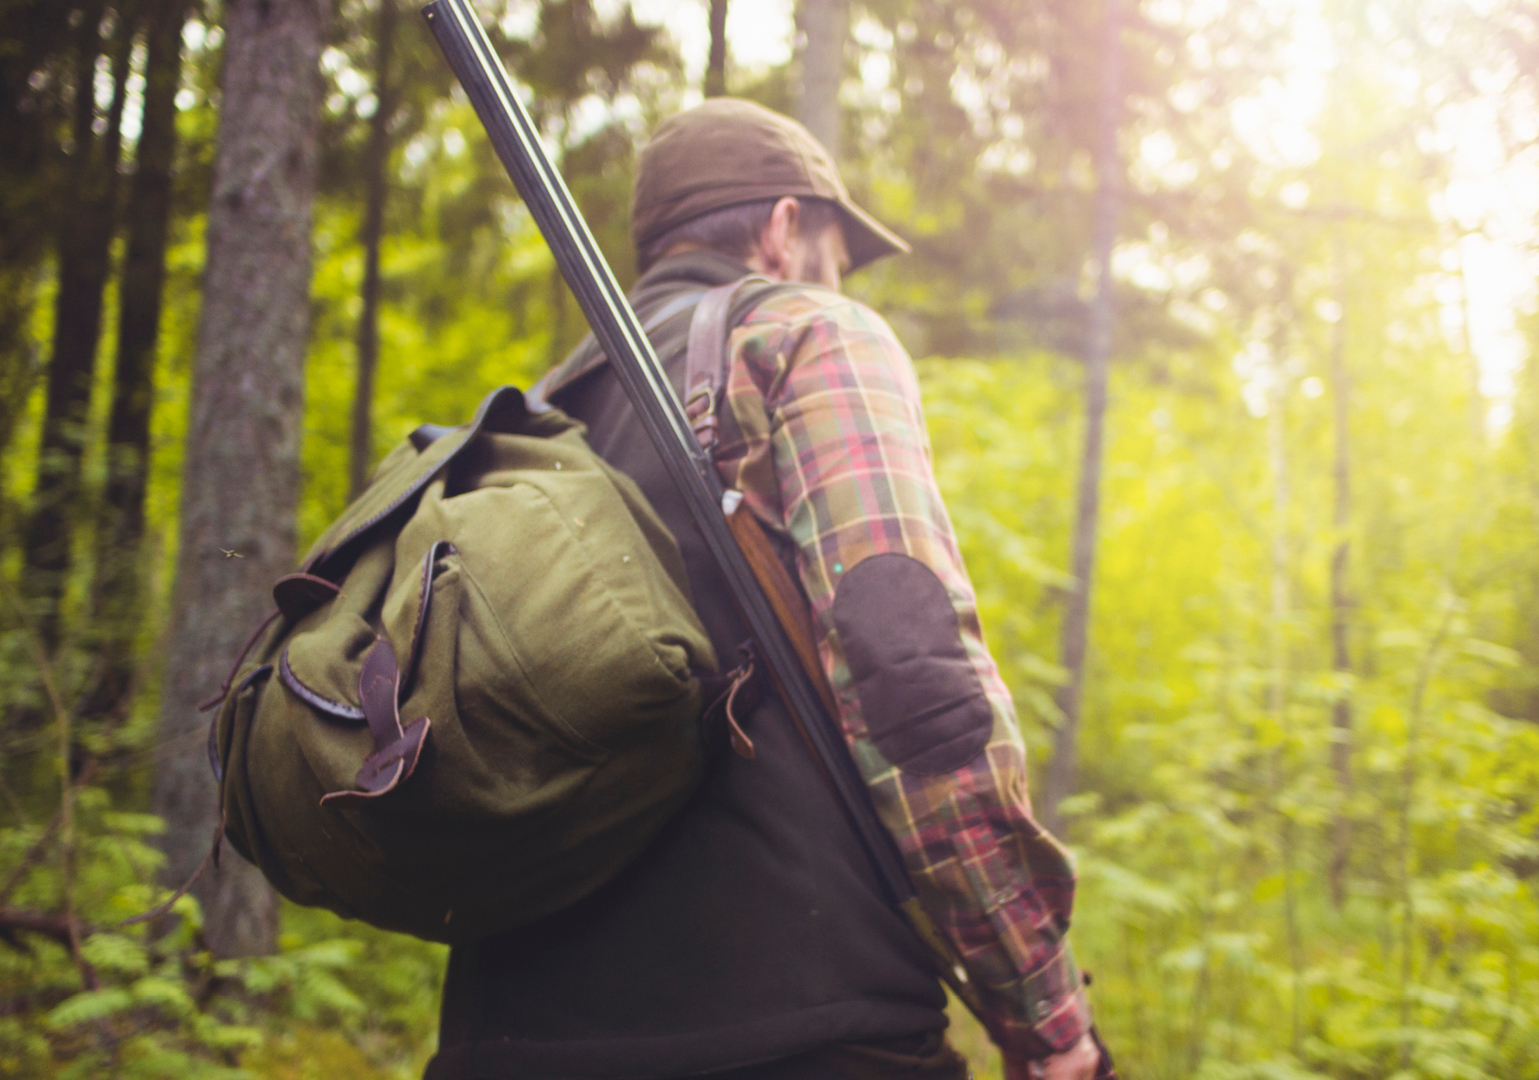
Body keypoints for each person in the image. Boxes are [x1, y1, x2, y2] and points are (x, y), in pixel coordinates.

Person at [427, 98, 1104, 1080]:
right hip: (800, 1033)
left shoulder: (536, 413)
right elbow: (911, 680)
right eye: (835, 252)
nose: (840, 281)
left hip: (502, 1036)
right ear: (786, 229)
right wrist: (1044, 1013)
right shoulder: (805, 334)